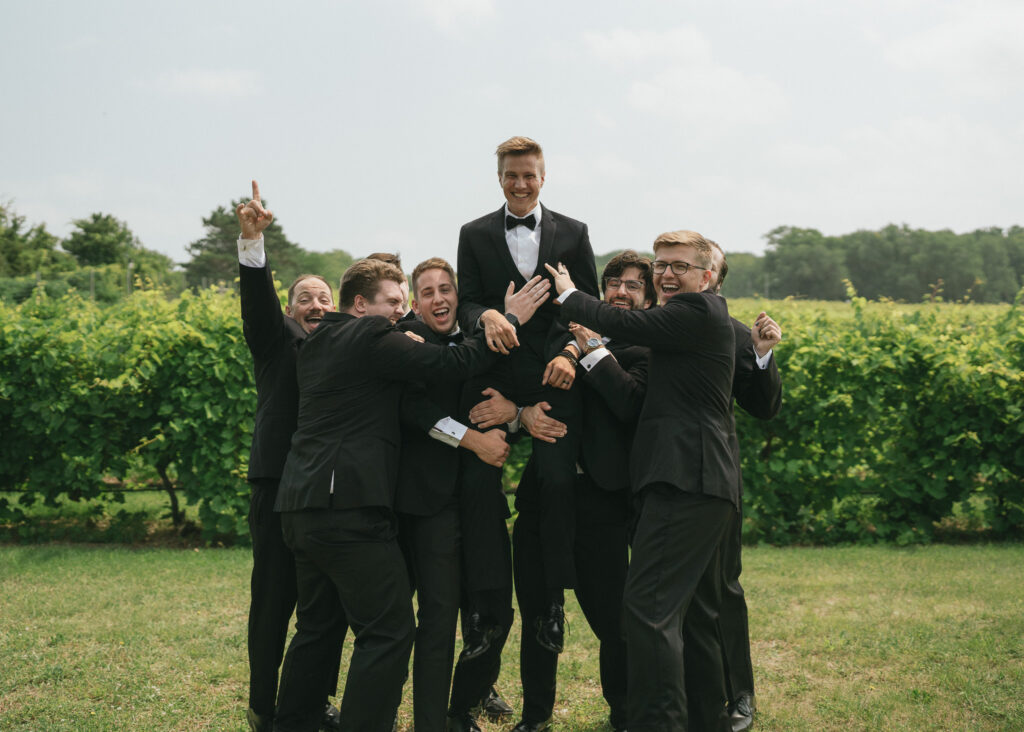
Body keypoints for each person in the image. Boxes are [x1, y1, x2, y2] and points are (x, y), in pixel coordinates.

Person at [272, 257, 539, 732]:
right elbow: (453, 361)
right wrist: (511, 316)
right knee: (390, 630)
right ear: (361, 305)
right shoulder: (372, 336)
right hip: (347, 508)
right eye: (395, 304)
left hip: (298, 505)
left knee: (314, 627)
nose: (402, 314)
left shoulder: (315, 343)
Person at [546, 230, 738, 731]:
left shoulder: (698, 312)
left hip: (686, 479)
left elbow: (616, 320)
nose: (668, 274)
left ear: (708, 275)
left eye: (680, 265)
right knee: (686, 616)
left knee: (648, 612)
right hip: (692, 482)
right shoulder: (683, 325)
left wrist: (569, 293)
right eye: (662, 265)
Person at [448, 135, 599, 730]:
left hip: (557, 385)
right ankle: (474, 637)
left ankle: (553, 596)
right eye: (511, 175)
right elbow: (467, 305)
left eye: (529, 174)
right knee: (479, 500)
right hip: (492, 389)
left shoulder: (575, 232)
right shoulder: (474, 234)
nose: (520, 183)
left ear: (544, 175)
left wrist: (566, 349)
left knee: (557, 482)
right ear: (499, 177)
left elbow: (583, 306)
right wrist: (486, 315)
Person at [395, 257, 549, 732]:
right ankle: (437, 720)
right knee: (438, 617)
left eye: (446, 289)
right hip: (431, 502)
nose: (439, 298)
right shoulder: (406, 343)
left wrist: (513, 414)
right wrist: (471, 438)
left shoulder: (486, 341)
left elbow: (511, 403)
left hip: (482, 499)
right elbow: (414, 408)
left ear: (458, 297)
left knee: (494, 612)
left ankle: (466, 699)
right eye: (428, 291)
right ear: (415, 303)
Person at [510, 250, 656, 732]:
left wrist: (589, 351)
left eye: (635, 285)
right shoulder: (557, 332)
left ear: (648, 299)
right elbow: (518, 377)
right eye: (614, 281)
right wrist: (523, 411)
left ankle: (623, 710)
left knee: (616, 622)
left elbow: (629, 409)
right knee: (538, 615)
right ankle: (535, 717)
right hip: (542, 494)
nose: (621, 290)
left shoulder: (647, 352)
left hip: (603, 500)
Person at [235, 181, 342, 732]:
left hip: (326, 496)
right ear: (292, 309)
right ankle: (262, 704)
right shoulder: (277, 339)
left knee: (322, 608)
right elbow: (259, 302)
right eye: (306, 298)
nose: (316, 305)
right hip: (277, 488)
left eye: (325, 298)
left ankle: (316, 698)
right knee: (275, 600)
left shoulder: (346, 351)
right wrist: (253, 242)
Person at [706, 241, 782, 732]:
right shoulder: (649, 326)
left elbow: (764, 407)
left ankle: (740, 694)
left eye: (700, 265)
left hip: (714, 479)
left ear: (713, 277)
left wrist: (760, 353)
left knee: (722, 588)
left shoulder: (735, 335)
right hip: (649, 478)